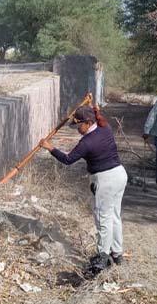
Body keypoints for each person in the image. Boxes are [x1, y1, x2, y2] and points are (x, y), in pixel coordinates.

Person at [40, 104, 127, 274]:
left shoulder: (87, 142)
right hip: (120, 175)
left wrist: (50, 148)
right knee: (114, 216)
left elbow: (67, 159)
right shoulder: (105, 128)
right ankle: (117, 253)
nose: (77, 129)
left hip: (106, 180)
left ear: (87, 122)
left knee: (103, 219)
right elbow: (98, 116)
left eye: (78, 125)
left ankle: (102, 257)